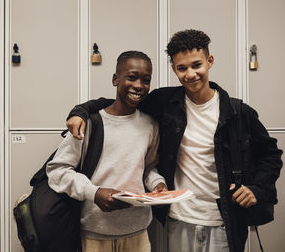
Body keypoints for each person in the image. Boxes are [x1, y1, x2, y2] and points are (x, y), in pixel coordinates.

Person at [65, 29, 283, 252]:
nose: (190, 74)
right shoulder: (165, 102)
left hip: (225, 220)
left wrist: (257, 188)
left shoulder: (238, 112)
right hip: (179, 217)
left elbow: (271, 155)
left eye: (196, 65)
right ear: (174, 69)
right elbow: (120, 100)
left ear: (210, 61)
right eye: (182, 68)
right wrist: (81, 111)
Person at [46, 51, 167, 252]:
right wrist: (94, 193)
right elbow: (57, 172)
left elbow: (148, 169)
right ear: (115, 79)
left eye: (145, 80)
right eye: (131, 77)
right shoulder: (89, 123)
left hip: (138, 232)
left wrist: (158, 185)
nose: (138, 85)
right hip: (94, 233)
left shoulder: (150, 125)